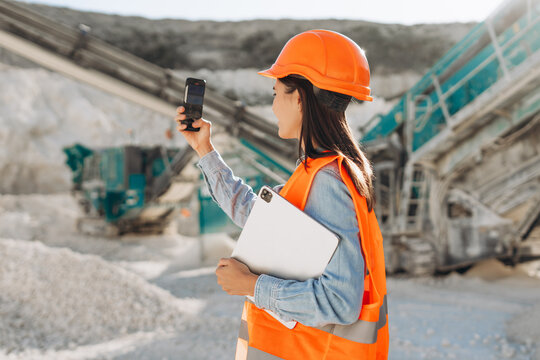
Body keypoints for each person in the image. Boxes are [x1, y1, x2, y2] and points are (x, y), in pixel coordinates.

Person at [175, 29, 388, 360]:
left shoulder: (328, 181)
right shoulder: (315, 172)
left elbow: (340, 302)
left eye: (275, 93)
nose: (273, 106)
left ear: (298, 98)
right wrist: (204, 150)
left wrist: (251, 286)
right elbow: (253, 213)